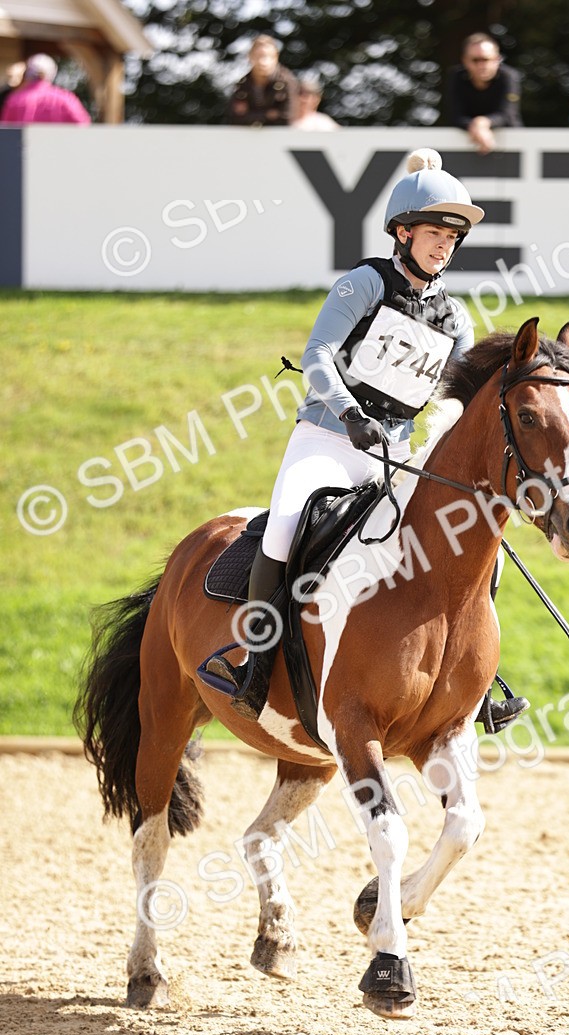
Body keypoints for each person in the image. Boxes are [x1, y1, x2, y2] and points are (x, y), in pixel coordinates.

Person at [201, 148, 529, 732]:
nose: (443, 247)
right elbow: (317, 355)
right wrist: (350, 413)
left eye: (452, 239)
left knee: (472, 539)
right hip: (329, 440)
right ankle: (251, 663)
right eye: (434, 233)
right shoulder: (365, 283)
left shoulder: (454, 319)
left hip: (396, 455)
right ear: (402, 233)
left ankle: (471, 686)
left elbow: (459, 398)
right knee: (286, 521)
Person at [446, 33, 522, 155]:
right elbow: (454, 115)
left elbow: (507, 114)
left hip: (511, 149)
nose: (482, 66)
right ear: (464, 60)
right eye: (475, 60)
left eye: (486, 59)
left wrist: (483, 122)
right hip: (464, 150)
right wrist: (476, 127)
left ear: (497, 59)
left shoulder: (508, 77)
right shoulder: (456, 77)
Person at [227, 35, 298, 126]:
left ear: (276, 57)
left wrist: (251, 115)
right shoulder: (243, 84)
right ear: (250, 57)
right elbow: (234, 117)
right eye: (258, 56)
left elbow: (288, 117)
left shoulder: (287, 82)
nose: (263, 62)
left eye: (268, 56)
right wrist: (268, 115)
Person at [0, 54, 90, 125]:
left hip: (23, 147)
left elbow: (5, 132)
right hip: (58, 147)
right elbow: (83, 124)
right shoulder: (65, 99)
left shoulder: (15, 100)